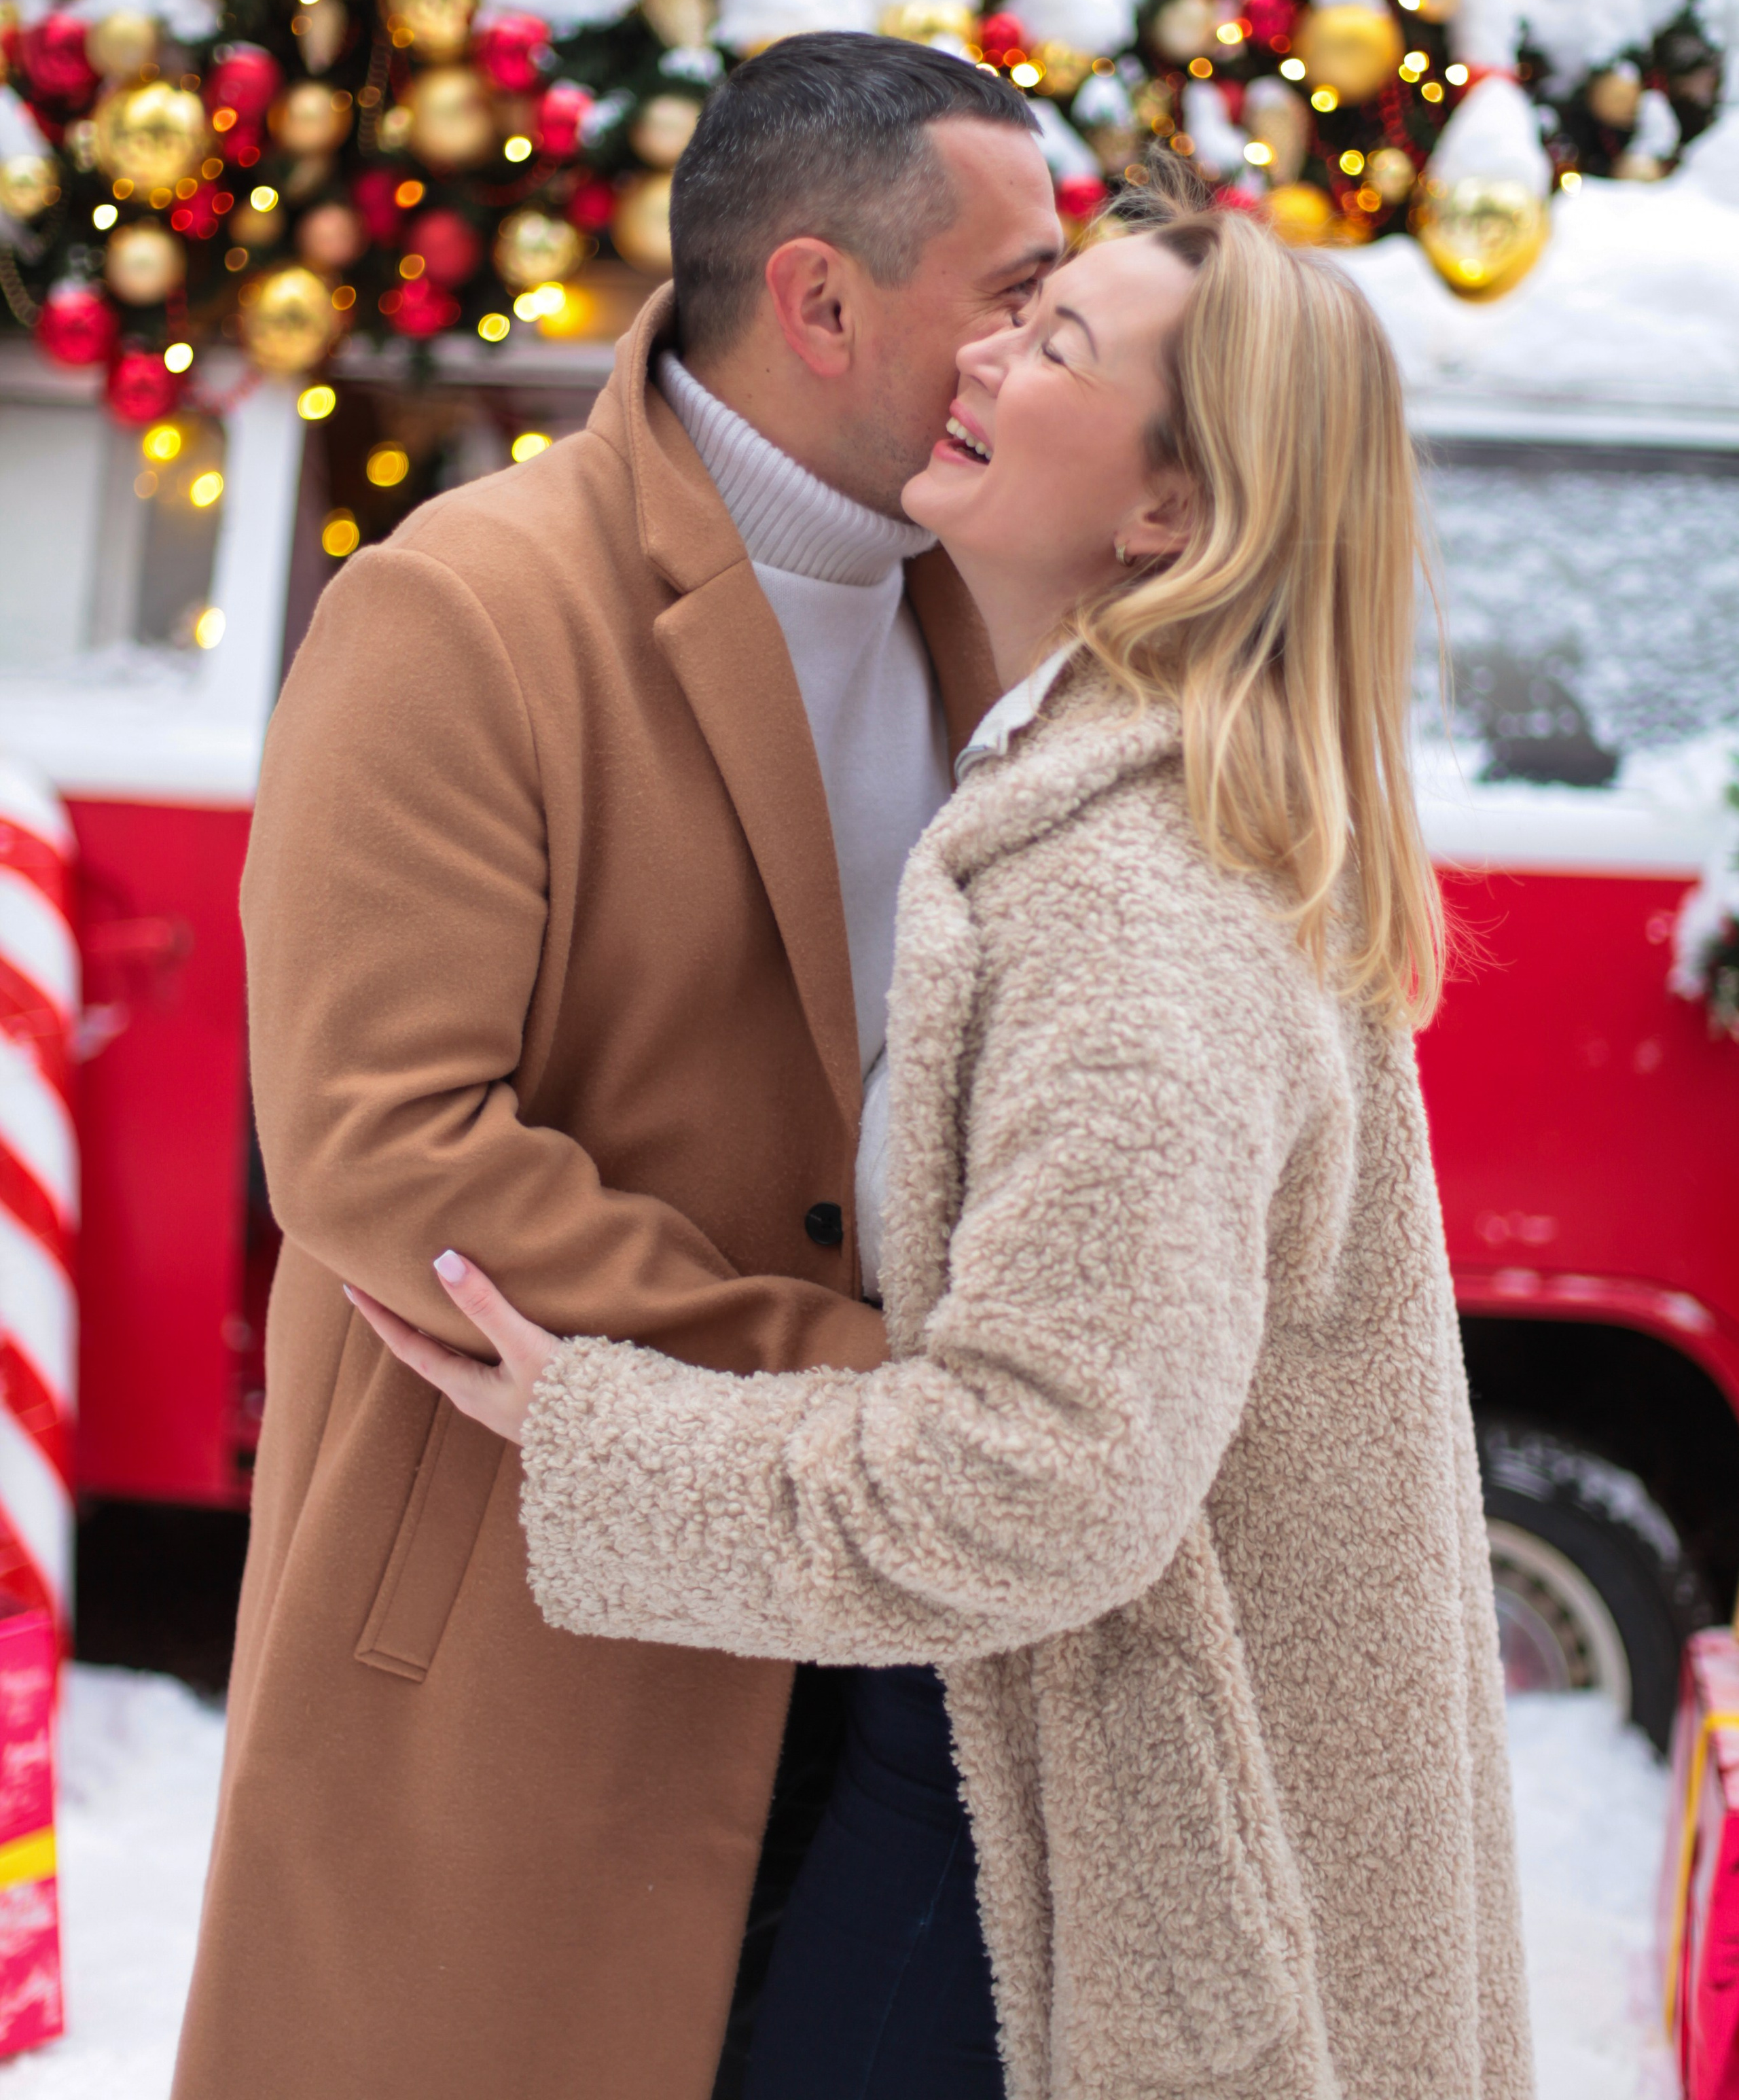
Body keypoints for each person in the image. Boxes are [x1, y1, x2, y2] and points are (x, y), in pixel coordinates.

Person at [353, 158, 1535, 2100]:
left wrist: (602, 1424)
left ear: (1170, 506)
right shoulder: (1100, 792)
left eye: (1059, 338)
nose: (987, 349)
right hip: (1032, 1761)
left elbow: (1049, 1480)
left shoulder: (1133, 906)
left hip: (1054, 1816)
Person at [171, 33, 1063, 2100]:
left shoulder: (1000, 613)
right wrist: (866, 1393)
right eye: (1012, 287)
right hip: (520, 1629)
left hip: (877, 1640)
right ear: (824, 300)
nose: (1038, 338)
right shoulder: (461, 609)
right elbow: (385, 1157)